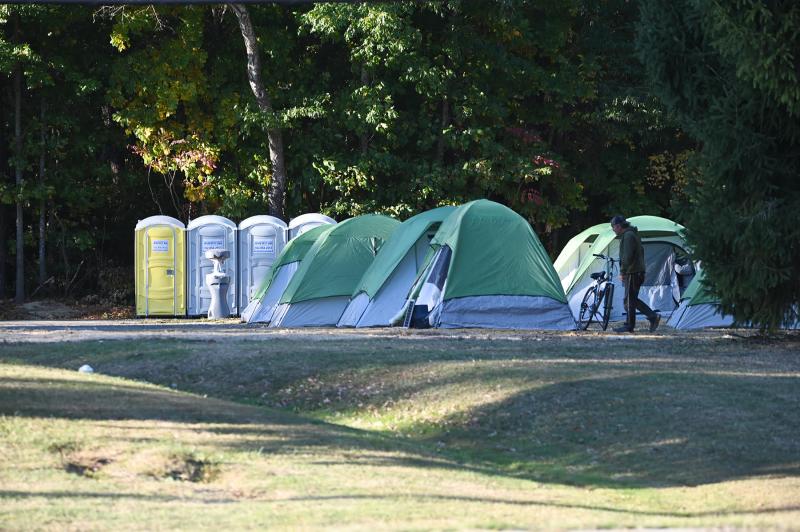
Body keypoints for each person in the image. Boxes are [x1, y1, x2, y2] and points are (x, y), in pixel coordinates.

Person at [610, 215, 660, 333]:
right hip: (636, 271)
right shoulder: (632, 234)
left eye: (613, 227)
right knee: (631, 300)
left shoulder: (628, 236)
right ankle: (643, 320)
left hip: (633, 272)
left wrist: (623, 271)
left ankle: (637, 322)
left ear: (618, 226)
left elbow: (627, 257)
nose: (613, 230)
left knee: (629, 300)